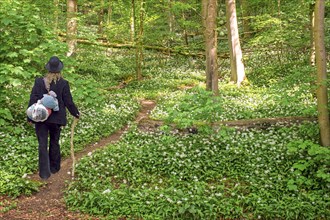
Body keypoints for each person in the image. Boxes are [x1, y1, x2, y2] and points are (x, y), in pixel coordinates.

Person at [28, 56, 80, 180]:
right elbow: (68, 101)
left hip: (40, 117)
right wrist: (75, 113)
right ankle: (55, 168)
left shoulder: (39, 81)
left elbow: (33, 98)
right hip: (56, 119)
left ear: (48, 68)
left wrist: (29, 117)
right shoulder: (63, 83)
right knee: (54, 142)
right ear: (59, 69)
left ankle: (44, 173)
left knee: (42, 143)